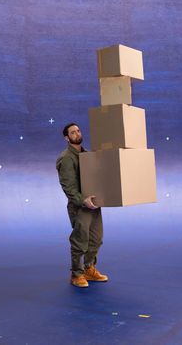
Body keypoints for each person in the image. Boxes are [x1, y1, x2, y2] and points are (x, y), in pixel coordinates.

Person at [56, 123, 108, 288]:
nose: (77, 133)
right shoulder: (66, 158)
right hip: (80, 206)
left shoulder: (88, 155)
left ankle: (89, 269)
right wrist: (83, 200)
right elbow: (68, 187)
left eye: (78, 130)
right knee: (81, 240)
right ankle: (76, 274)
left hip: (94, 204)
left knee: (96, 239)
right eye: (73, 132)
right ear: (67, 138)